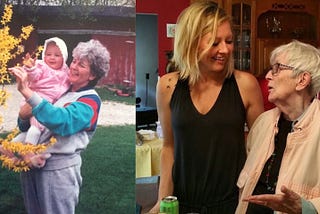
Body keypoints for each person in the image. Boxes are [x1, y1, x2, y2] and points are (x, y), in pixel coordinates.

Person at [150, 2, 264, 213]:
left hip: (230, 203)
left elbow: (260, 149)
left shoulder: (245, 85)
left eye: (229, 41)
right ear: (191, 42)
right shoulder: (167, 85)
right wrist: (162, 201)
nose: (224, 49)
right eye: (214, 42)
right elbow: (169, 147)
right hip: (181, 202)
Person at [8, 39, 110, 214]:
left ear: (92, 75)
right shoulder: (60, 89)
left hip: (58, 172)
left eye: (82, 65)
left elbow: (63, 121)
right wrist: (23, 116)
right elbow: (26, 125)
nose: (74, 66)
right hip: (31, 165)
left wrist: (27, 91)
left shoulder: (89, 100)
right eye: (74, 61)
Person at [236, 40, 320, 213]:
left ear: (302, 80)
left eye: (276, 68)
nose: (267, 76)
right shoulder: (263, 122)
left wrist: (306, 208)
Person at [16, 37, 70, 167]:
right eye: (48, 54)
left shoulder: (65, 71)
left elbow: (67, 84)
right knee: (35, 129)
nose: (52, 57)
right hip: (36, 100)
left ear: (64, 57)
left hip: (46, 105)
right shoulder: (41, 66)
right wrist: (30, 68)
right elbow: (34, 75)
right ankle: (28, 153)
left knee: (39, 132)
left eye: (57, 55)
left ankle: (12, 146)